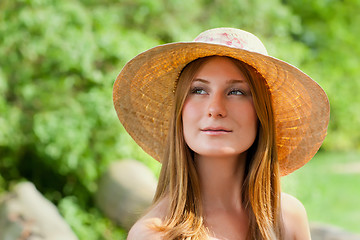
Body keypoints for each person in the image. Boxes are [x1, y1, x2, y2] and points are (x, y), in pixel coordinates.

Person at [113, 28, 330, 240]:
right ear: (180, 111)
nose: (215, 108)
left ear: (261, 113)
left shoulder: (288, 218)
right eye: (199, 90)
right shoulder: (155, 234)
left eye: (236, 92)